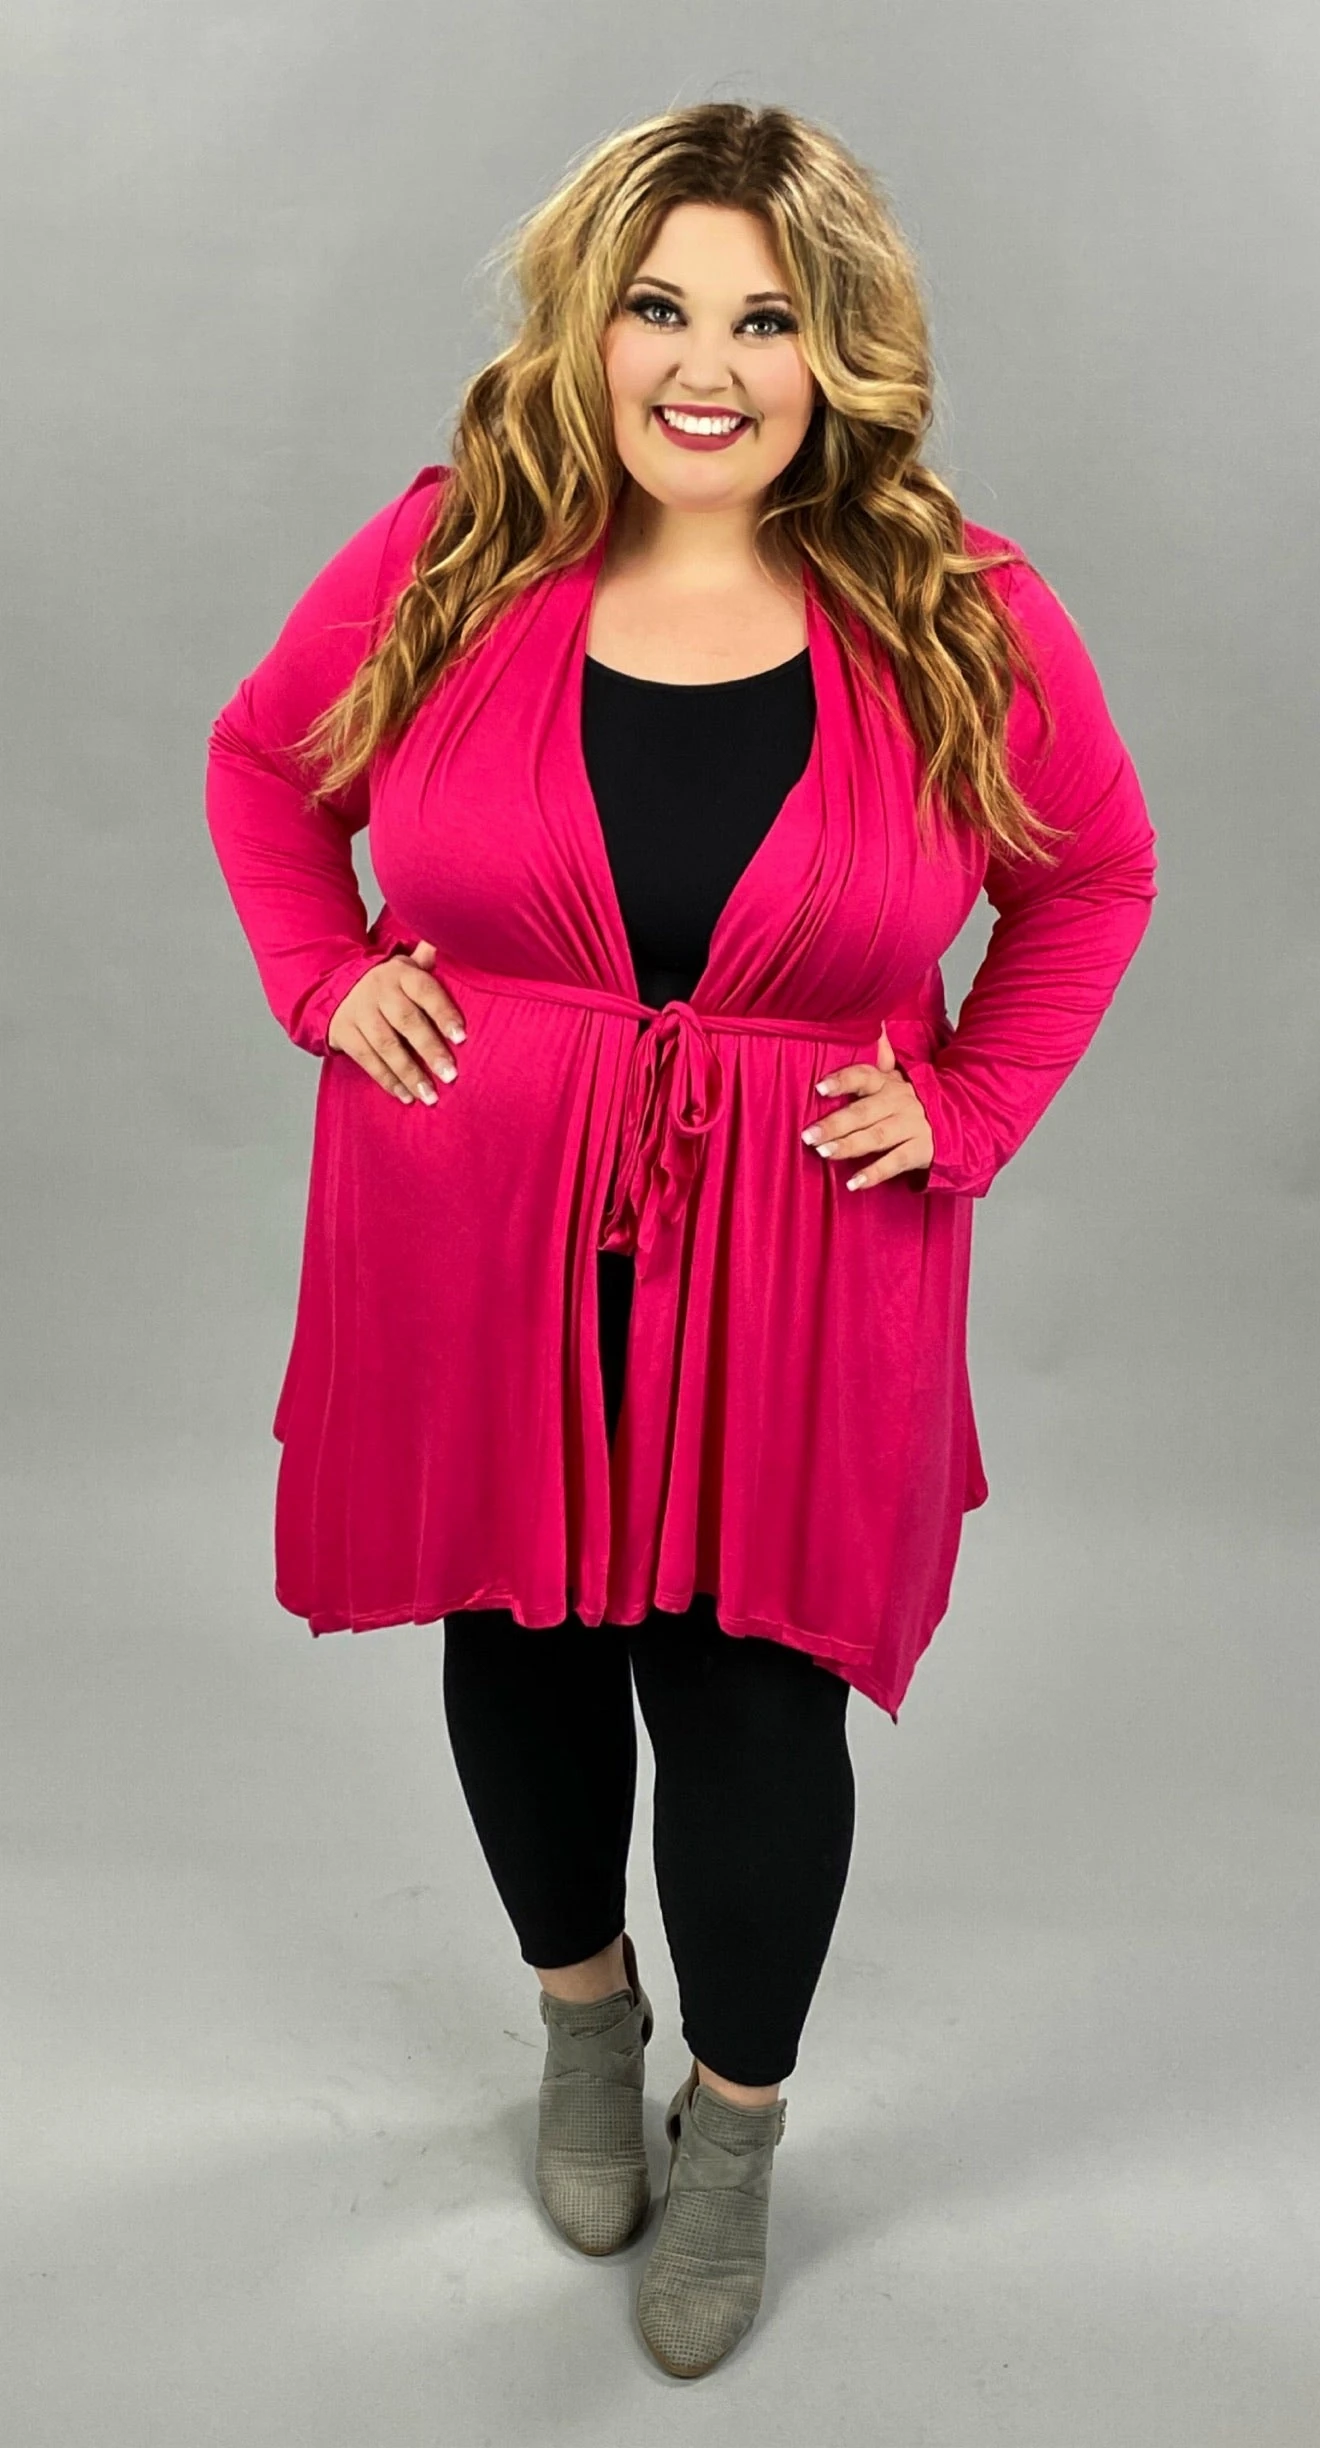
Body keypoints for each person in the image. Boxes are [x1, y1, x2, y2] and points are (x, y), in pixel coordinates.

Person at [203, 101, 1158, 2381]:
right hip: (482, 1211)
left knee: (751, 1693)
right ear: (590, 320)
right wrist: (325, 979)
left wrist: (969, 1105)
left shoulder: (956, 607)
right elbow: (262, 768)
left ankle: (732, 2127)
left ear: (842, 350)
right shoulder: (458, 547)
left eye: (767, 318)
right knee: (524, 1640)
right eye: (659, 307)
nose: (704, 367)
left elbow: (1092, 877)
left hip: (803, 1242)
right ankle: (580, 2018)